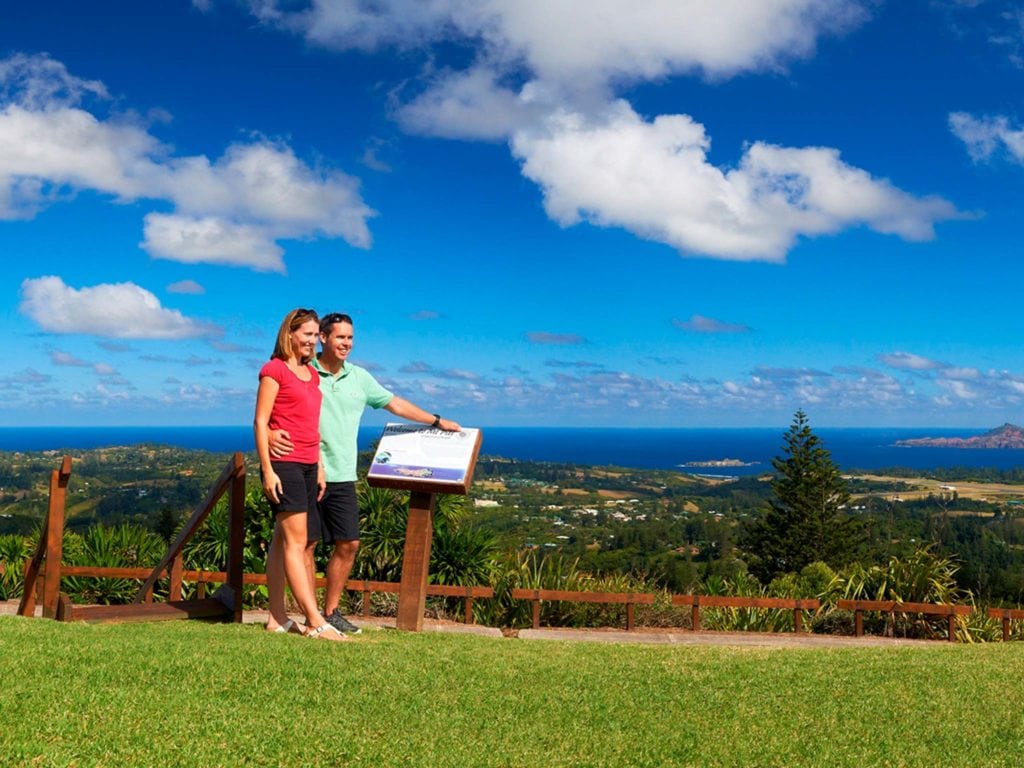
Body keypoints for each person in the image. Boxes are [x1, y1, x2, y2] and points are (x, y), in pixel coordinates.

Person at [269, 311, 461, 634]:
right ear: (324, 338)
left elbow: (395, 404)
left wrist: (436, 420)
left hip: (342, 473)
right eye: (339, 337)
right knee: (306, 544)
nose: (346, 343)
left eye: (350, 338)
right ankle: (312, 615)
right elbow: (277, 401)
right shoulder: (304, 369)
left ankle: (329, 611)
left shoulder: (359, 378)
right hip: (305, 467)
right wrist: (273, 433)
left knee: (350, 543)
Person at [254, 307, 345, 641]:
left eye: (314, 335)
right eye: (306, 334)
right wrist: (267, 470)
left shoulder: (313, 375)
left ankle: (276, 618)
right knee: (297, 541)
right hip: (285, 465)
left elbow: (311, 424)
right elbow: (260, 422)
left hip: (308, 463)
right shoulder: (273, 370)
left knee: (281, 541)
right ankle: (315, 620)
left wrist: (319, 465)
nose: (312, 341)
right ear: (289, 334)